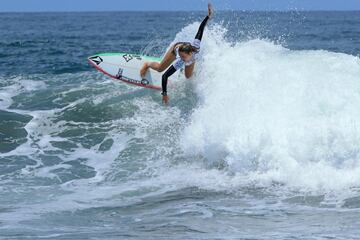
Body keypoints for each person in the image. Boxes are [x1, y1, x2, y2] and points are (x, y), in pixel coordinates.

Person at [140, 3, 213, 105]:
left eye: (183, 57)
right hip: (175, 50)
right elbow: (164, 76)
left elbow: (201, 29)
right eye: (181, 58)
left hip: (188, 56)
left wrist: (208, 16)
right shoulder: (180, 59)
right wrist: (164, 94)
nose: (181, 59)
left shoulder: (196, 46)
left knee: (188, 76)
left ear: (191, 53)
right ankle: (147, 64)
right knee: (161, 68)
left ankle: (183, 68)